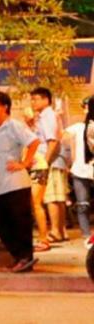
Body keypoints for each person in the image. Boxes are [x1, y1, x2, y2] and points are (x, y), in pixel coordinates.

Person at [0, 91, 40, 273]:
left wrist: (24, 163)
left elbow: (34, 142)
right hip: (2, 184)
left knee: (20, 223)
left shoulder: (14, 126)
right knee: (0, 222)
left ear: (4, 107)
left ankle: (25, 258)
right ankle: (21, 257)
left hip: (16, 182)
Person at [30, 87, 64, 244]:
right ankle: (57, 231)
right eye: (32, 99)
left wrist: (45, 160)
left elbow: (52, 140)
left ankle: (51, 233)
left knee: (46, 198)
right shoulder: (41, 117)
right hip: (43, 160)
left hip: (45, 161)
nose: (33, 102)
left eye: (36, 99)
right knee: (48, 197)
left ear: (46, 99)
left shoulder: (48, 116)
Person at [65, 98, 94, 241]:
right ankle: (86, 234)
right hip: (80, 170)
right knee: (83, 204)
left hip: (89, 168)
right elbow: (62, 137)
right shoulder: (77, 127)